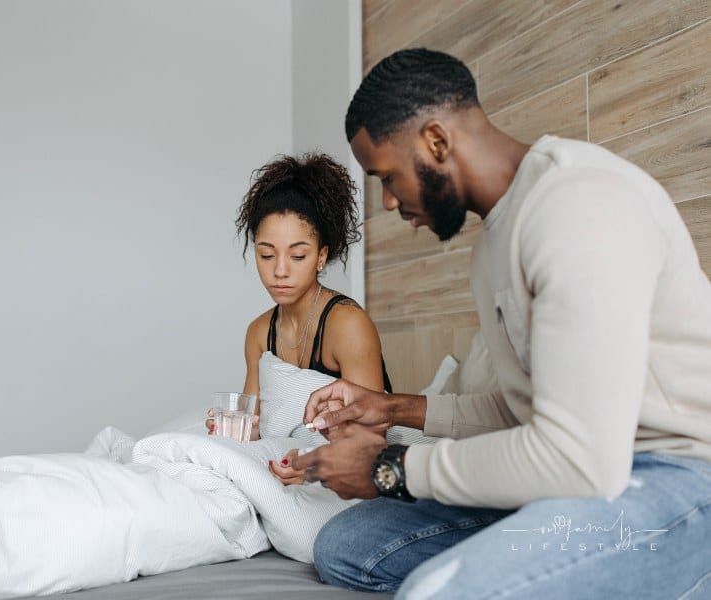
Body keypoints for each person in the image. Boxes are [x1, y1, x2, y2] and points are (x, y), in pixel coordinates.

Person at [292, 48, 711, 598]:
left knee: (439, 591)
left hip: (677, 481)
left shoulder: (578, 207)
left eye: (387, 177)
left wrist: (391, 467)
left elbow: (579, 459)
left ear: (436, 142)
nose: (390, 202)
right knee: (346, 547)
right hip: (573, 480)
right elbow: (522, 410)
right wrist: (391, 408)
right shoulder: (493, 242)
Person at [206, 153, 393, 485]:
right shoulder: (260, 333)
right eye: (266, 255)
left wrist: (311, 466)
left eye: (297, 255)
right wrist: (229, 434)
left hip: (353, 477)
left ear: (321, 255)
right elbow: (255, 428)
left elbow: (371, 442)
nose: (279, 270)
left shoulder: (347, 326)